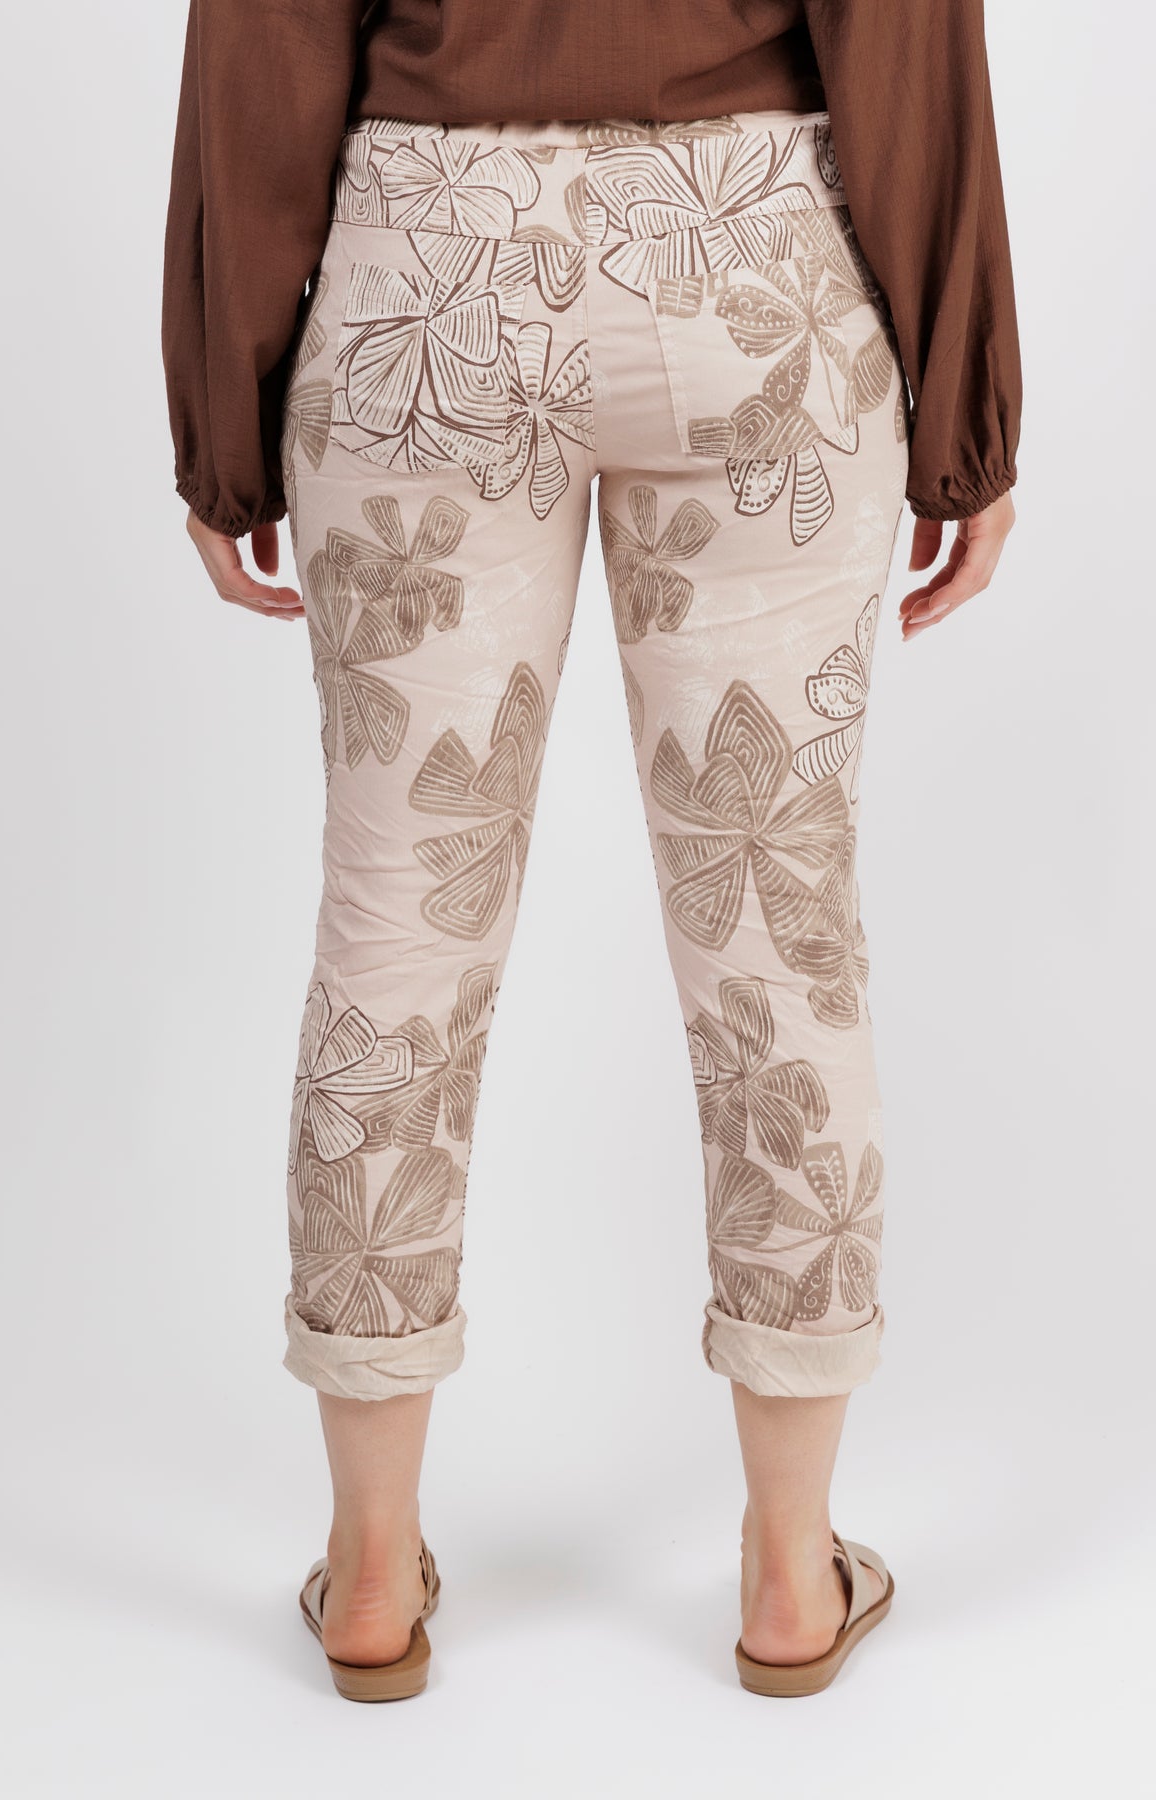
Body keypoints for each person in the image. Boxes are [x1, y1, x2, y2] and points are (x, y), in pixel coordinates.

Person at [161, 0, 1020, 1701]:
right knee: (781, 925)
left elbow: (267, 31)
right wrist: (967, 408)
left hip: (432, 274)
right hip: (748, 264)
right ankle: (792, 1571)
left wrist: (223, 422)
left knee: (397, 934)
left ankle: (373, 1568)